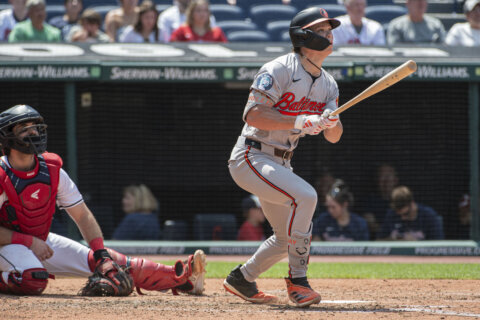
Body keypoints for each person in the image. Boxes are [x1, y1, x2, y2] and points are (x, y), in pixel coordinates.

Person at [0, 104, 206, 296]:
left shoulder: (52, 170)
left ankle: (180, 278)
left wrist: (101, 254)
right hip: (7, 245)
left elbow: (82, 216)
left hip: (38, 240)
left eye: (34, 126)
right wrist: (28, 241)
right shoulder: (2, 174)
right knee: (31, 279)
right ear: (7, 136)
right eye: (23, 128)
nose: (33, 132)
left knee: (109, 266)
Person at [223, 7, 343, 308]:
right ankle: (298, 281)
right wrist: (299, 121)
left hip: (281, 161)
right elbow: (252, 113)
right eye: (322, 30)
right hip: (251, 155)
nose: (329, 35)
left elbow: (334, 136)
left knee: (283, 237)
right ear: (303, 37)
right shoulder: (279, 69)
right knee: (307, 196)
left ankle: (242, 278)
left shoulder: (329, 83)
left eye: (330, 30)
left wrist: (330, 120)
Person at [377, 186, 444, 240]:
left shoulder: (429, 216)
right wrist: (394, 240)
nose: (403, 218)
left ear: (412, 204)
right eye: (399, 215)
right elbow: (378, 241)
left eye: (406, 214)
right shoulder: (391, 214)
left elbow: (438, 246)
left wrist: (415, 243)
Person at [360, 163, 399, 239]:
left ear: (395, 180)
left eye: (388, 176)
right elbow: (370, 224)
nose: (386, 181)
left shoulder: (402, 200)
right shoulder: (370, 201)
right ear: (377, 181)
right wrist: (390, 236)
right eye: (382, 177)